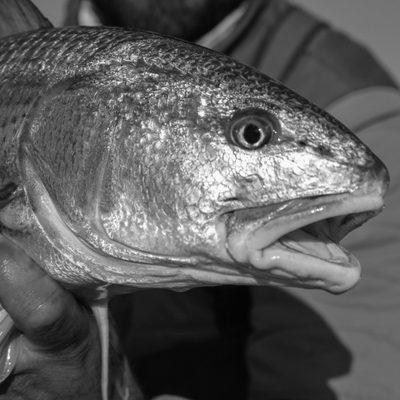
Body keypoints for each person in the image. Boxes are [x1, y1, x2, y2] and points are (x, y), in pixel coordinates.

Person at [1, 0, 399, 399]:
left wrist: (86, 388)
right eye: (250, 135)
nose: (252, 138)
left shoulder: (361, 110)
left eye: (251, 134)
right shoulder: (41, 52)